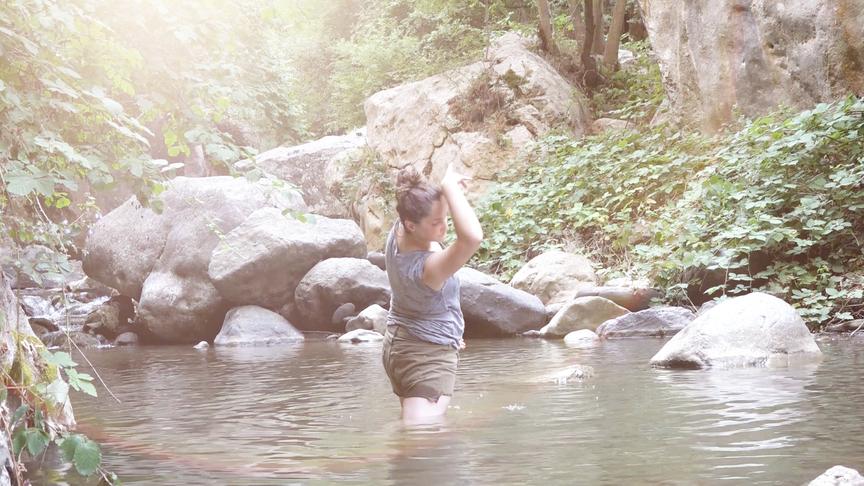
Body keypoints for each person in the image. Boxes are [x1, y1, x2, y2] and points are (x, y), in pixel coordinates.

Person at [381, 163, 483, 422]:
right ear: (411, 224)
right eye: (436, 223)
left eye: (447, 218)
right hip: (425, 357)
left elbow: (412, 201)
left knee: (415, 437)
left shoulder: (399, 233)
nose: (445, 228)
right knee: (419, 440)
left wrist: (448, 331)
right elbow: (471, 238)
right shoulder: (427, 268)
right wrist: (449, 188)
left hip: (398, 345)